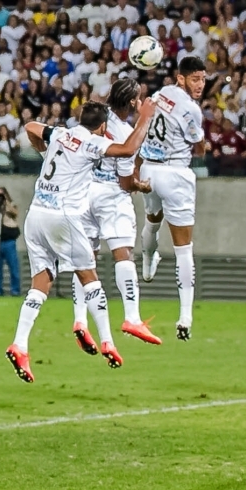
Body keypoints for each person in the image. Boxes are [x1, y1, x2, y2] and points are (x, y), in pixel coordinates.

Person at [5, 99, 157, 382]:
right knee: (90, 278)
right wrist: (144, 119)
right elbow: (127, 150)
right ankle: (108, 341)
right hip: (63, 217)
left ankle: (20, 344)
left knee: (42, 281)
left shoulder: (60, 133)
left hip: (36, 214)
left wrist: (43, 151)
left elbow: (30, 126)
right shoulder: (92, 142)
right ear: (102, 126)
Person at [74, 79, 161, 352]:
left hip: (82, 191)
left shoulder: (97, 115)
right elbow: (125, 182)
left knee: (86, 259)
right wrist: (141, 185)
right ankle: (132, 317)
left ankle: (80, 320)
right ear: (134, 103)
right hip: (110, 196)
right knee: (123, 254)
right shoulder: (127, 132)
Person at [138, 57, 206, 342]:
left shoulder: (161, 93)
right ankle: (185, 316)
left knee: (152, 221)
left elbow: (145, 113)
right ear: (181, 79)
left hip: (148, 169)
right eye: (194, 79)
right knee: (183, 249)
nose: (200, 85)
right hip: (175, 173)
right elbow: (199, 147)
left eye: (202, 79)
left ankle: (147, 260)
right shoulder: (191, 109)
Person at [0, 187, 21, 297]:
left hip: (9, 241)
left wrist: (6, 203)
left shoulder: (11, 205)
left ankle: (15, 290)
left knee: (14, 268)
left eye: (1, 195)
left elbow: (15, 213)